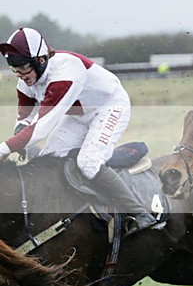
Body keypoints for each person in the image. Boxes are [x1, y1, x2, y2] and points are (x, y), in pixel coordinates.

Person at [0, 27, 156, 235]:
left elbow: (40, 128)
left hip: (109, 107)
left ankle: (140, 213)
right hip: (78, 116)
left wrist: (4, 149)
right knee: (49, 160)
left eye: (24, 67)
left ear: (41, 60)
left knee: (88, 162)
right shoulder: (26, 81)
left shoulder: (66, 72)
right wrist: (17, 138)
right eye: (15, 68)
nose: (20, 75)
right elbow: (25, 118)